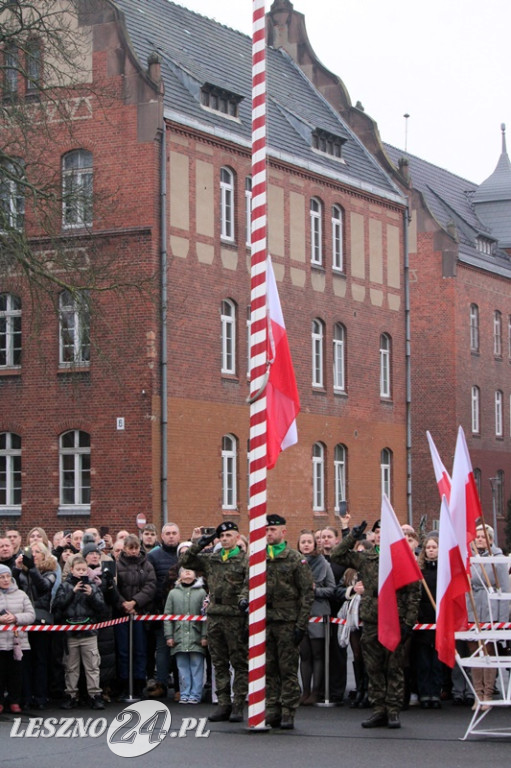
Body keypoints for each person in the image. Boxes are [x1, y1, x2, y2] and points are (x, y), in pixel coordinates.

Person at [331, 519, 420, 729]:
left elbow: (413, 593)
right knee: (373, 667)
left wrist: (408, 622)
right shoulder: (367, 558)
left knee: (394, 667)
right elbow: (337, 555)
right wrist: (353, 535)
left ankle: (393, 710)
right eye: (377, 532)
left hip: (394, 619)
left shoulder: (402, 558)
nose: (380, 535)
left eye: (384, 531)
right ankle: (379, 709)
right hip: (371, 619)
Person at [181, 521, 249, 723]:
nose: (225, 539)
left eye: (229, 535)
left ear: (237, 537)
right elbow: (186, 560)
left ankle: (238, 705)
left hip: (235, 615)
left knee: (239, 663)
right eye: (222, 536)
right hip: (215, 615)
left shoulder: (245, 561)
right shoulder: (212, 559)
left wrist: (244, 601)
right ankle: (223, 704)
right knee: (219, 663)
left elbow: (249, 584)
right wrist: (201, 543)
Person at [264, 514, 314, 730]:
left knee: (287, 669)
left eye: (273, 530)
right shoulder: (258, 558)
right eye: (266, 530)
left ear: (283, 532)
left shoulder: (294, 559)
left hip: (287, 621)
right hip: (265, 622)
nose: (268, 534)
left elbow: (306, 594)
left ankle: (288, 710)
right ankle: (272, 708)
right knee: (269, 668)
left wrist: (301, 625)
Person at [52, 554, 106, 710]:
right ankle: (71, 695)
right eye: (78, 569)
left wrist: (91, 596)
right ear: (72, 570)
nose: (81, 572)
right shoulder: (65, 586)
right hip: (70, 634)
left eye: (84, 569)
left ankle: (95, 695)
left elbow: (101, 609)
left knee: (93, 666)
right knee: (71, 667)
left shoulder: (94, 587)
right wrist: (73, 592)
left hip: (89, 632)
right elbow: (58, 606)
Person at [467, 524, 510, 709]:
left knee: (488, 652)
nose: (479, 539)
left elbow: (505, 589)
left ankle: (488, 693)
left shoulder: (497, 559)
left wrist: (502, 621)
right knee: (474, 652)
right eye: (477, 536)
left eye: (483, 537)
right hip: (472, 606)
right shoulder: (468, 557)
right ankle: (477, 693)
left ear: (491, 539)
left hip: (490, 608)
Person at [14, 541, 58, 709]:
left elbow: (44, 587)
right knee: (25, 660)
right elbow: (12, 585)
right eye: (31, 551)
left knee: (41, 660)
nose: (34, 554)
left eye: (37, 551)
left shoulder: (50, 572)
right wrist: (18, 569)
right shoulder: (23, 573)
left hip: (41, 620)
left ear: (45, 554)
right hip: (24, 620)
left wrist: (32, 568)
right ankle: (26, 696)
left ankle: (40, 696)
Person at [114, 534, 157, 699]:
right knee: (123, 650)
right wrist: (124, 604)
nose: (133, 551)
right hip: (122, 614)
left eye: (136, 548)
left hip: (140, 613)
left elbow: (150, 586)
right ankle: (124, 683)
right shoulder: (117, 565)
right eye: (130, 548)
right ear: (124, 548)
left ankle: (139, 683)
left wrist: (135, 602)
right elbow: (113, 587)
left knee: (140, 650)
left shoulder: (147, 565)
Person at [297, 529, 335, 705]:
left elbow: (332, 589)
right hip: (300, 614)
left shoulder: (324, 564)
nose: (305, 544)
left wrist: (315, 590)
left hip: (318, 613)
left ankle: (316, 691)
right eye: (303, 542)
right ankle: (305, 691)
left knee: (317, 654)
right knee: (304, 655)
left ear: (314, 544)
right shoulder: (295, 562)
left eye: (309, 542)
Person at [146, 523, 181, 698]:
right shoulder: (153, 556)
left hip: (184, 610)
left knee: (182, 650)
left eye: (174, 533)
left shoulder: (184, 555)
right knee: (162, 650)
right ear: (162, 536)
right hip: (162, 610)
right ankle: (161, 684)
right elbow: (151, 583)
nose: (171, 536)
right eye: (168, 533)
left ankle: (181, 688)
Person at [164, 567, 208, 704]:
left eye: (190, 570)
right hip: (179, 636)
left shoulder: (201, 593)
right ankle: (184, 692)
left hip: (196, 636)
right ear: (179, 575)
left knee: (197, 666)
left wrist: (204, 636)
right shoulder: (173, 593)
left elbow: (205, 615)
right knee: (182, 667)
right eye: (184, 571)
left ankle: (195, 693)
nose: (187, 573)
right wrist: (169, 636)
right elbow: (168, 616)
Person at [413, 534, 443, 708]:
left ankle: (435, 692)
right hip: (423, 618)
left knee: (436, 660)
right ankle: (425, 693)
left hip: (438, 616)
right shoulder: (420, 572)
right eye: (428, 548)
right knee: (423, 659)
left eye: (434, 547)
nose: (431, 551)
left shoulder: (443, 571)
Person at [0, 564, 35, 714]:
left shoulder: (21, 594)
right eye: (2, 577)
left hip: (18, 643)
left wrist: (15, 618)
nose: (6, 579)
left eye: (8, 576)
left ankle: (15, 701)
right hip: (0, 643)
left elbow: (31, 615)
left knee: (16, 674)